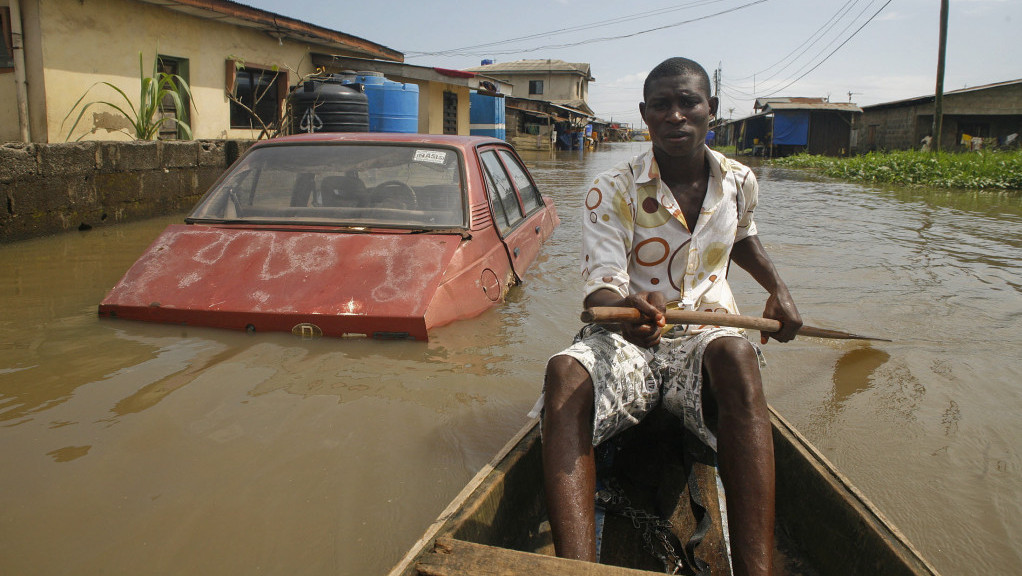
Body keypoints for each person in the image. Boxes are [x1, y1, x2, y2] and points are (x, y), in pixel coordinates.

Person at [538, 57, 802, 576]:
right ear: (645, 115)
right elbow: (601, 286)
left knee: (738, 357)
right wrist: (624, 312)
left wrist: (778, 289)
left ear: (712, 111)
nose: (676, 115)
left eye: (688, 103)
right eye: (662, 105)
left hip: (704, 340)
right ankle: (577, 570)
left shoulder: (739, 180)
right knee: (563, 374)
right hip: (631, 341)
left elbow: (741, 234)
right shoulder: (612, 188)